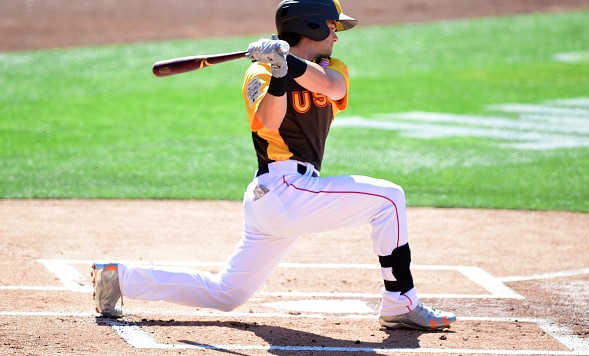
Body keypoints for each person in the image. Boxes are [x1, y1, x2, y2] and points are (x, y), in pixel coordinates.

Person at [92, 0, 456, 331]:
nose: (337, 36)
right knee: (389, 198)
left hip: (285, 199)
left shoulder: (332, 67)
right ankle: (400, 303)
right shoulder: (259, 74)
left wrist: (289, 62)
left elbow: (331, 87)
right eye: (332, 27)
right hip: (283, 190)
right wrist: (278, 72)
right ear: (312, 27)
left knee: (227, 294)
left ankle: (119, 278)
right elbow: (268, 120)